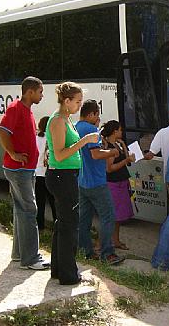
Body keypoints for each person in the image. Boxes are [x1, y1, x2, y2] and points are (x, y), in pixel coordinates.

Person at [45, 82, 100, 285]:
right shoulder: (58, 121)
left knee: (63, 224)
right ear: (66, 101)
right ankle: (68, 274)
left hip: (66, 176)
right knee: (69, 226)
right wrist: (84, 141)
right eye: (77, 102)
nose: (79, 106)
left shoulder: (65, 119)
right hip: (62, 176)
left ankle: (59, 269)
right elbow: (59, 155)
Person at [0, 76, 50, 270]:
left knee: (21, 209)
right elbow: (2, 131)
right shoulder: (15, 109)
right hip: (19, 169)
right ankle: (31, 259)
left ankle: (19, 254)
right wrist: (13, 153)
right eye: (40, 92)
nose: (42, 95)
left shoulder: (27, 110)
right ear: (30, 92)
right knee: (29, 210)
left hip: (25, 169)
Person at [76, 100, 125, 265]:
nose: (98, 118)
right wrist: (112, 151)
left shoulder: (75, 127)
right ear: (92, 114)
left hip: (82, 181)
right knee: (108, 216)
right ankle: (107, 253)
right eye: (97, 114)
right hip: (97, 182)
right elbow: (96, 155)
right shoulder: (91, 130)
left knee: (84, 219)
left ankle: (85, 251)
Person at [102, 120, 136, 250]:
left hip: (122, 182)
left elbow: (128, 162)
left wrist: (124, 148)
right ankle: (105, 243)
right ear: (115, 131)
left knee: (119, 217)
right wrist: (126, 160)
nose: (122, 132)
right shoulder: (109, 148)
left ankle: (116, 241)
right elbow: (109, 168)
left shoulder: (117, 144)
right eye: (120, 130)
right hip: (113, 184)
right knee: (113, 216)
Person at [35, 116, 56, 230]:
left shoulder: (35, 139)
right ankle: (56, 225)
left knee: (40, 202)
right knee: (54, 203)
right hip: (49, 174)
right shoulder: (51, 139)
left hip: (37, 174)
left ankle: (40, 226)